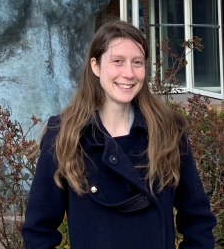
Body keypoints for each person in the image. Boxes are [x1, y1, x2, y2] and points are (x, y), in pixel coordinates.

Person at [22, 20, 216, 249]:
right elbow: (38, 231)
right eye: (118, 62)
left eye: (137, 63)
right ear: (95, 66)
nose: (129, 73)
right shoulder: (65, 136)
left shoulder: (168, 131)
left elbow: (198, 221)